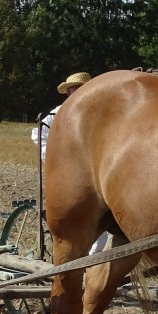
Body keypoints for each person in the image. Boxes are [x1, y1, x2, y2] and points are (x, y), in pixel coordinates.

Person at [31, 71, 108, 253]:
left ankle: (94, 259)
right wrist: (51, 159)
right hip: (68, 171)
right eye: (75, 89)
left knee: (101, 217)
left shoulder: (98, 112)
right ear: (68, 92)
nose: (79, 92)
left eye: (83, 89)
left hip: (92, 169)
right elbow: (38, 134)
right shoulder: (57, 113)